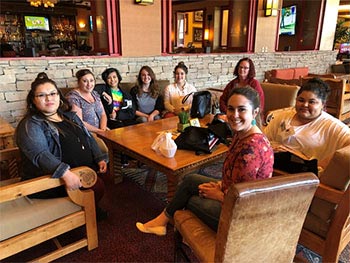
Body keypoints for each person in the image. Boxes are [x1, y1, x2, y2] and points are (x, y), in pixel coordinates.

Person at [136, 87, 274, 234]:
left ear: (255, 112)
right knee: (190, 180)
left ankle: (173, 223)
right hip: (231, 195)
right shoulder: (242, 134)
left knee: (190, 199)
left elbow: (245, 199)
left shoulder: (252, 148)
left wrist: (219, 195)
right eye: (230, 109)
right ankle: (161, 222)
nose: (234, 115)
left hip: (241, 216)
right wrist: (221, 185)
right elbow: (236, 179)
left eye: (241, 110)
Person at [15, 73, 109, 220]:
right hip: (52, 180)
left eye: (53, 93)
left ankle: (91, 209)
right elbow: (40, 155)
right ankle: (86, 214)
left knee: (101, 181)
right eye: (42, 95)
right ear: (33, 101)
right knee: (98, 186)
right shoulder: (31, 124)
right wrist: (65, 173)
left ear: (59, 96)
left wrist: (99, 158)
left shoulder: (70, 116)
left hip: (82, 172)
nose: (49, 98)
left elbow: (88, 137)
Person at [263, 77, 350, 172]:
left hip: (304, 176)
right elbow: (264, 140)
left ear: (323, 105)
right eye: (301, 100)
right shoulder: (282, 116)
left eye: (312, 102)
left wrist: (319, 164)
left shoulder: (331, 125)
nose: (305, 105)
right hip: (273, 167)